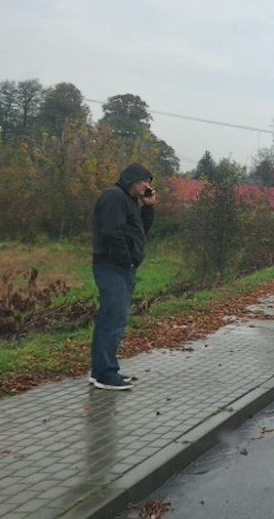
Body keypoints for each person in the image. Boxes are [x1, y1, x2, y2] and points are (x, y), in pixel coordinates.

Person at [89, 163, 156, 391]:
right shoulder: (114, 198)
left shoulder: (130, 202)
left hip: (122, 268)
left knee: (116, 318)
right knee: (113, 318)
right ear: (132, 181)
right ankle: (105, 374)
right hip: (111, 266)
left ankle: (104, 369)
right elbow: (112, 233)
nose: (148, 186)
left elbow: (139, 232)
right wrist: (126, 259)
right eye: (144, 181)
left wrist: (148, 208)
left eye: (149, 182)